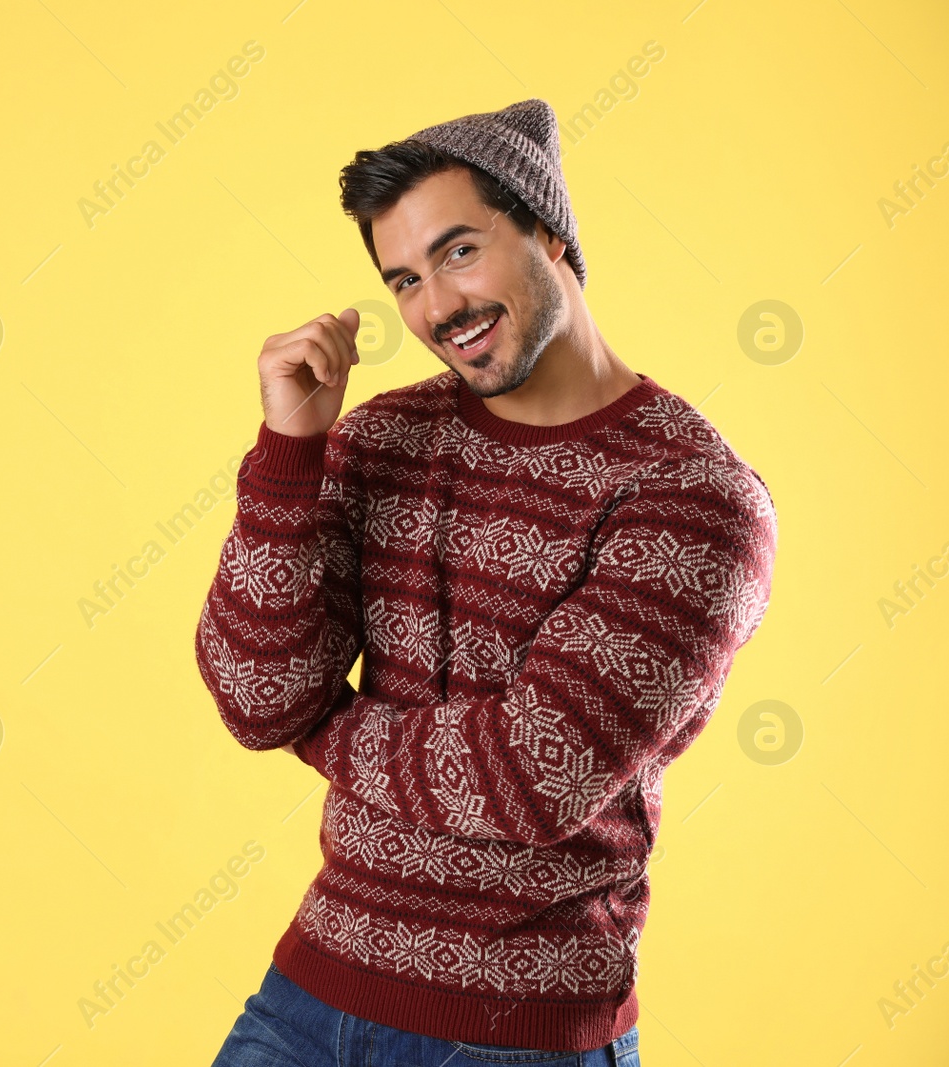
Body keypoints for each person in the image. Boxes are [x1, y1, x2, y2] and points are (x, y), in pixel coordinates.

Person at [193, 98, 778, 1067]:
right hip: (304, 997)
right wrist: (290, 455)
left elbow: (527, 778)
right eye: (404, 279)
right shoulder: (382, 437)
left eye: (459, 251)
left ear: (549, 232)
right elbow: (257, 696)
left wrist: (322, 729)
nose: (438, 306)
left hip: (514, 1038)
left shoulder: (692, 496)